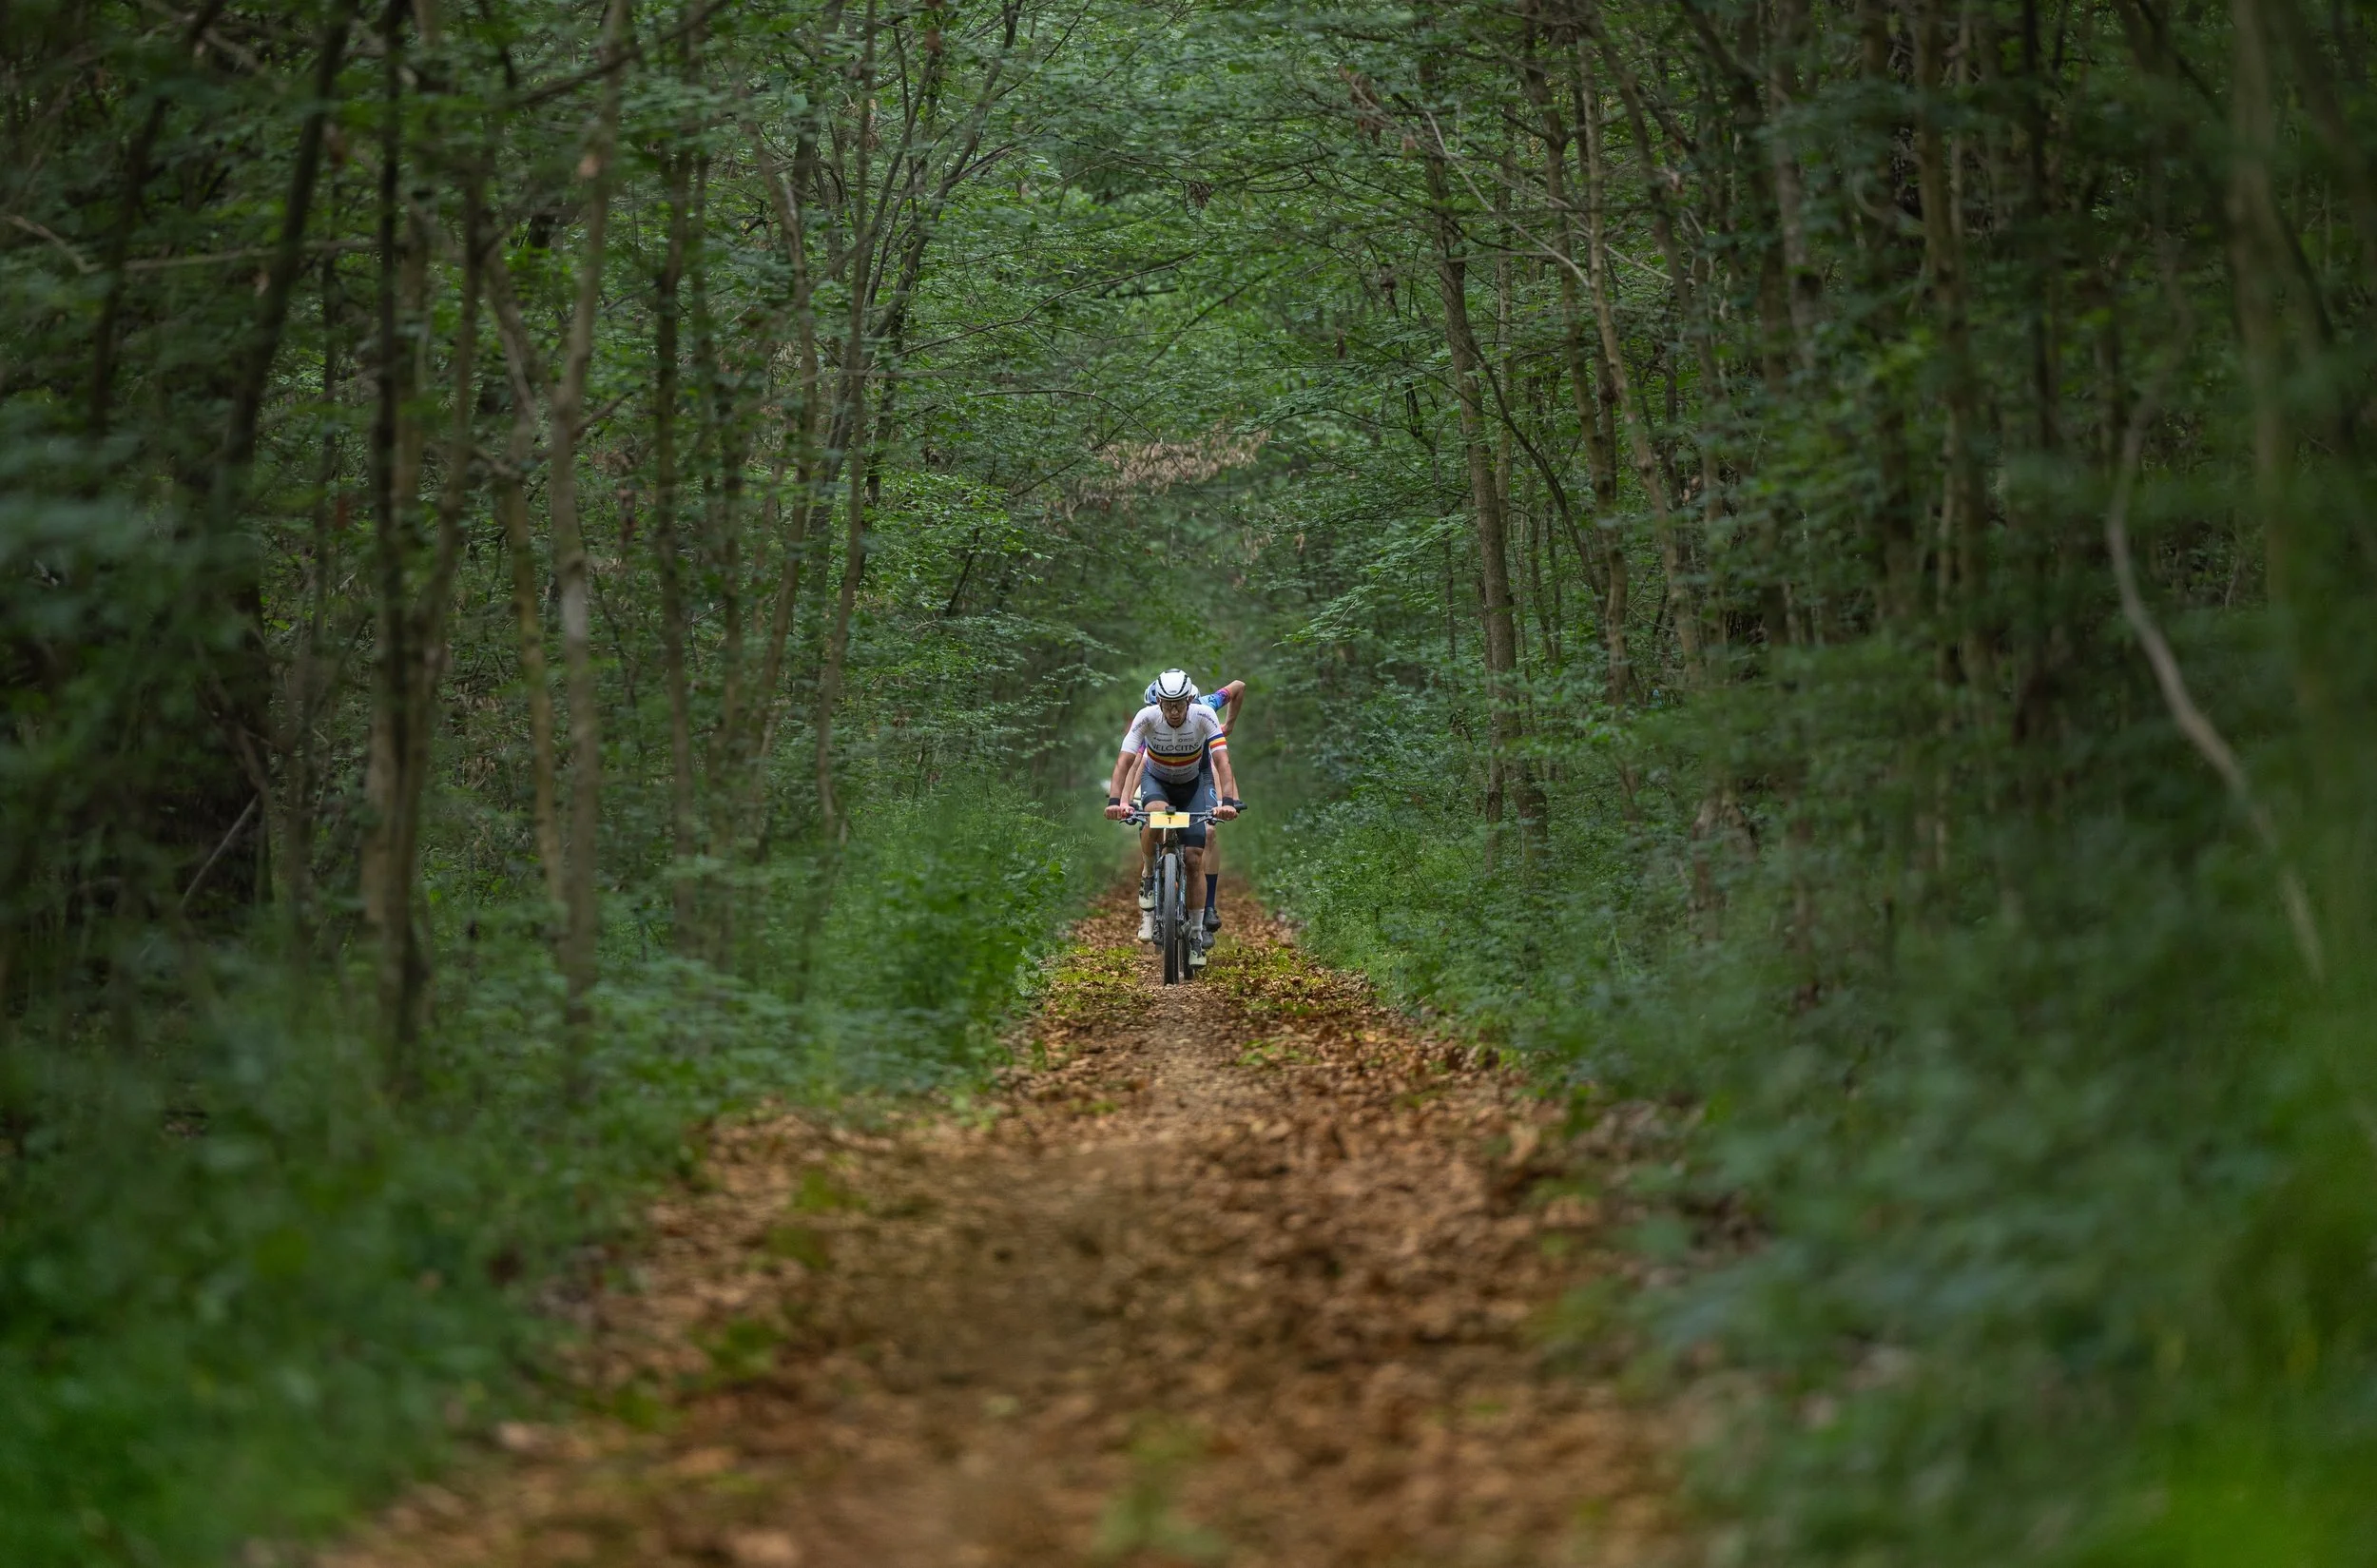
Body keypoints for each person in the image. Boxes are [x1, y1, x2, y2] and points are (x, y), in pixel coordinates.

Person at [1105, 670, 1242, 955]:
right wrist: (1117, 801)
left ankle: (1195, 931)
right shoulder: (1146, 717)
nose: (1175, 710)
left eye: (1180, 703)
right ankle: (1150, 876)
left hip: (1194, 784)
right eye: (1168, 704)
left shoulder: (1205, 714)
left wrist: (1227, 800)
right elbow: (1126, 762)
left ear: (1190, 700)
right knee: (1153, 819)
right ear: (1159, 703)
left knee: (1194, 858)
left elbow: (1222, 762)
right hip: (1158, 781)